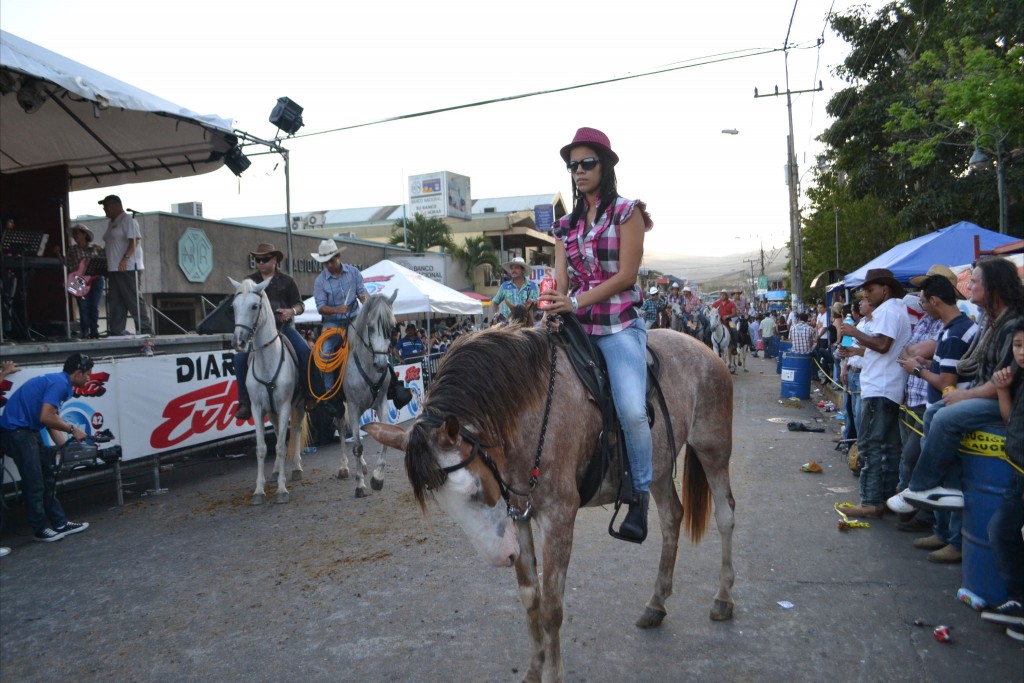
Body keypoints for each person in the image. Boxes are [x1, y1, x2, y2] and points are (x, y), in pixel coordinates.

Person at [540, 126, 654, 543]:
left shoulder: (628, 213)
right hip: (577, 328)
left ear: (605, 166)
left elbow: (626, 276)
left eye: (587, 163)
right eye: (573, 165)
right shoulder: (563, 227)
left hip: (618, 326)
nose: (579, 171)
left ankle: (639, 496)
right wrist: (555, 300)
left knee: (632, 410)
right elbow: (562, 282)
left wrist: (576, 302)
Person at [887, 257, 1024, 513]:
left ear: (993, 286)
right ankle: (948, 488)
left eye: (974, 282)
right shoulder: (989, 321)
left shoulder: (1013, 325)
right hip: (985, 395)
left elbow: (1003, 382)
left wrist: (965, 395)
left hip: (1007, 404)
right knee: (934, 412)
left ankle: (921, 487)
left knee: (945, 417)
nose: (968, 287)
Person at [896, 274, 977, 561]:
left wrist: (917, 370)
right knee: (944, 477)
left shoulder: (955, 333)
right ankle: (943, 533)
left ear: (935, 300)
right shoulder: (951, 329)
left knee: (950, 477)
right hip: (938, 411)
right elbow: (947, 369)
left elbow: (947, 383)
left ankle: (953, 539)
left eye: (923, 301)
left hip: (947, 414)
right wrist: (926, 363)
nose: (922, 307)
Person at [834, 268, 911, 518]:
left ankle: (870, 501)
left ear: (884, 290)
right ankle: (885, 498)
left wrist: (855, 333)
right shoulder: (894, 310)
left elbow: (882, 344)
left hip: (880, 387)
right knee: (888, 447)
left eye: (870, 289)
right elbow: (879, 348)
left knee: (870, 445)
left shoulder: (888, 310)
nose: (866, 293)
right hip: (886, 386)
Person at [0, 353, 92, 542]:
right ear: (77, 373)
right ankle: (40, 529)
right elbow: (46, 418)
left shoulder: (59, 382)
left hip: (28, 430)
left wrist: (66, 447)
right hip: (17, 432)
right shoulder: (59, 384)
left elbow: (51, 420)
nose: (89, 378)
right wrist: (73, 429)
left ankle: (60, 522)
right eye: (88, 374)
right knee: (34, 482)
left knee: (48, 477)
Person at [233, 243, 312, 421]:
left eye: (265, 259)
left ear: (275, 260)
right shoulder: (249, 282)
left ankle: (310, 394)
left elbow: (300, 305)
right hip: (257, 334)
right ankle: (244, 402)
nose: (260, 262)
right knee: (238, 358)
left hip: (284, 328)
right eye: (257, 259)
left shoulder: (287, 281)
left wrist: (291, 311)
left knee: (305, 351)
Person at [982, 320, 1024, 642]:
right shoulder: (1018, 379)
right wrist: (1002, 389)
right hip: (1016, 470)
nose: (1021, 353)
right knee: (1000, 530)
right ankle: (1018, 601)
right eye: (1017, 346)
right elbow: (1010, 421)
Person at [311, 239, 367, 402]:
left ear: (339, 256)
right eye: (325, 262)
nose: (328, 265)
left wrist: (365, 299)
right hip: (332, 323)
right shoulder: (320, 281)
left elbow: (361, 293)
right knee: (326, 352)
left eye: (331, 260)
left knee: (374, 341)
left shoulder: (354, 272)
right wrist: (337, 310)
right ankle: (330, 394)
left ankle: (389, 381)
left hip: (354, 317)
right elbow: (321, 307)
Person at [99, 195, 153, 336]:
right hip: (113, 268)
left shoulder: (128, 219)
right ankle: (117, 330)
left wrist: (126, 258)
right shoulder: (112, 223)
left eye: (106, 206)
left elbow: (135, 240)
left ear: (115, 205)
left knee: (132, 299)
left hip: (128, 267)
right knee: (116, 300)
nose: (104, 209)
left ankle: (144, 329)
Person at [66, 224, 106, 339]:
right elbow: (67, 265)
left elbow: (104, 260)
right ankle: (85, 330)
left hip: (95, 279)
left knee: (94, 305)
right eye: (74, 234)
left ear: (84, 234)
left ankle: (94, 330)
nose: (75, 236)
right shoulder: (72, 250)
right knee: (83, 305)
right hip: (79, 280)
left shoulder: (96, 248)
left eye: (77, 233)